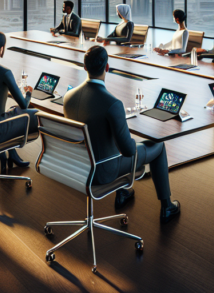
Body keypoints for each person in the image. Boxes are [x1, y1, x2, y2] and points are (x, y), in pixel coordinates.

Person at [63, 46, 182, 223]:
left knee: (107, 142)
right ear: (107, 68)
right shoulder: (113, 103)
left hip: (77, 166)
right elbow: (128, 151)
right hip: (102, 172)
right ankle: (167, 207)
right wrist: (130, 137)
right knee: (157, 146)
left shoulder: (68, 97)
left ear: (85, 67)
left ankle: (123, 192)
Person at [0, 32, 38, 171]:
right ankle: (10, 154)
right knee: (33, 114)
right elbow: (24, 105)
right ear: (1, 48)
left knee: (11, 111)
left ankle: (9, 156)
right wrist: (29, 93)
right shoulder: (5, 73)